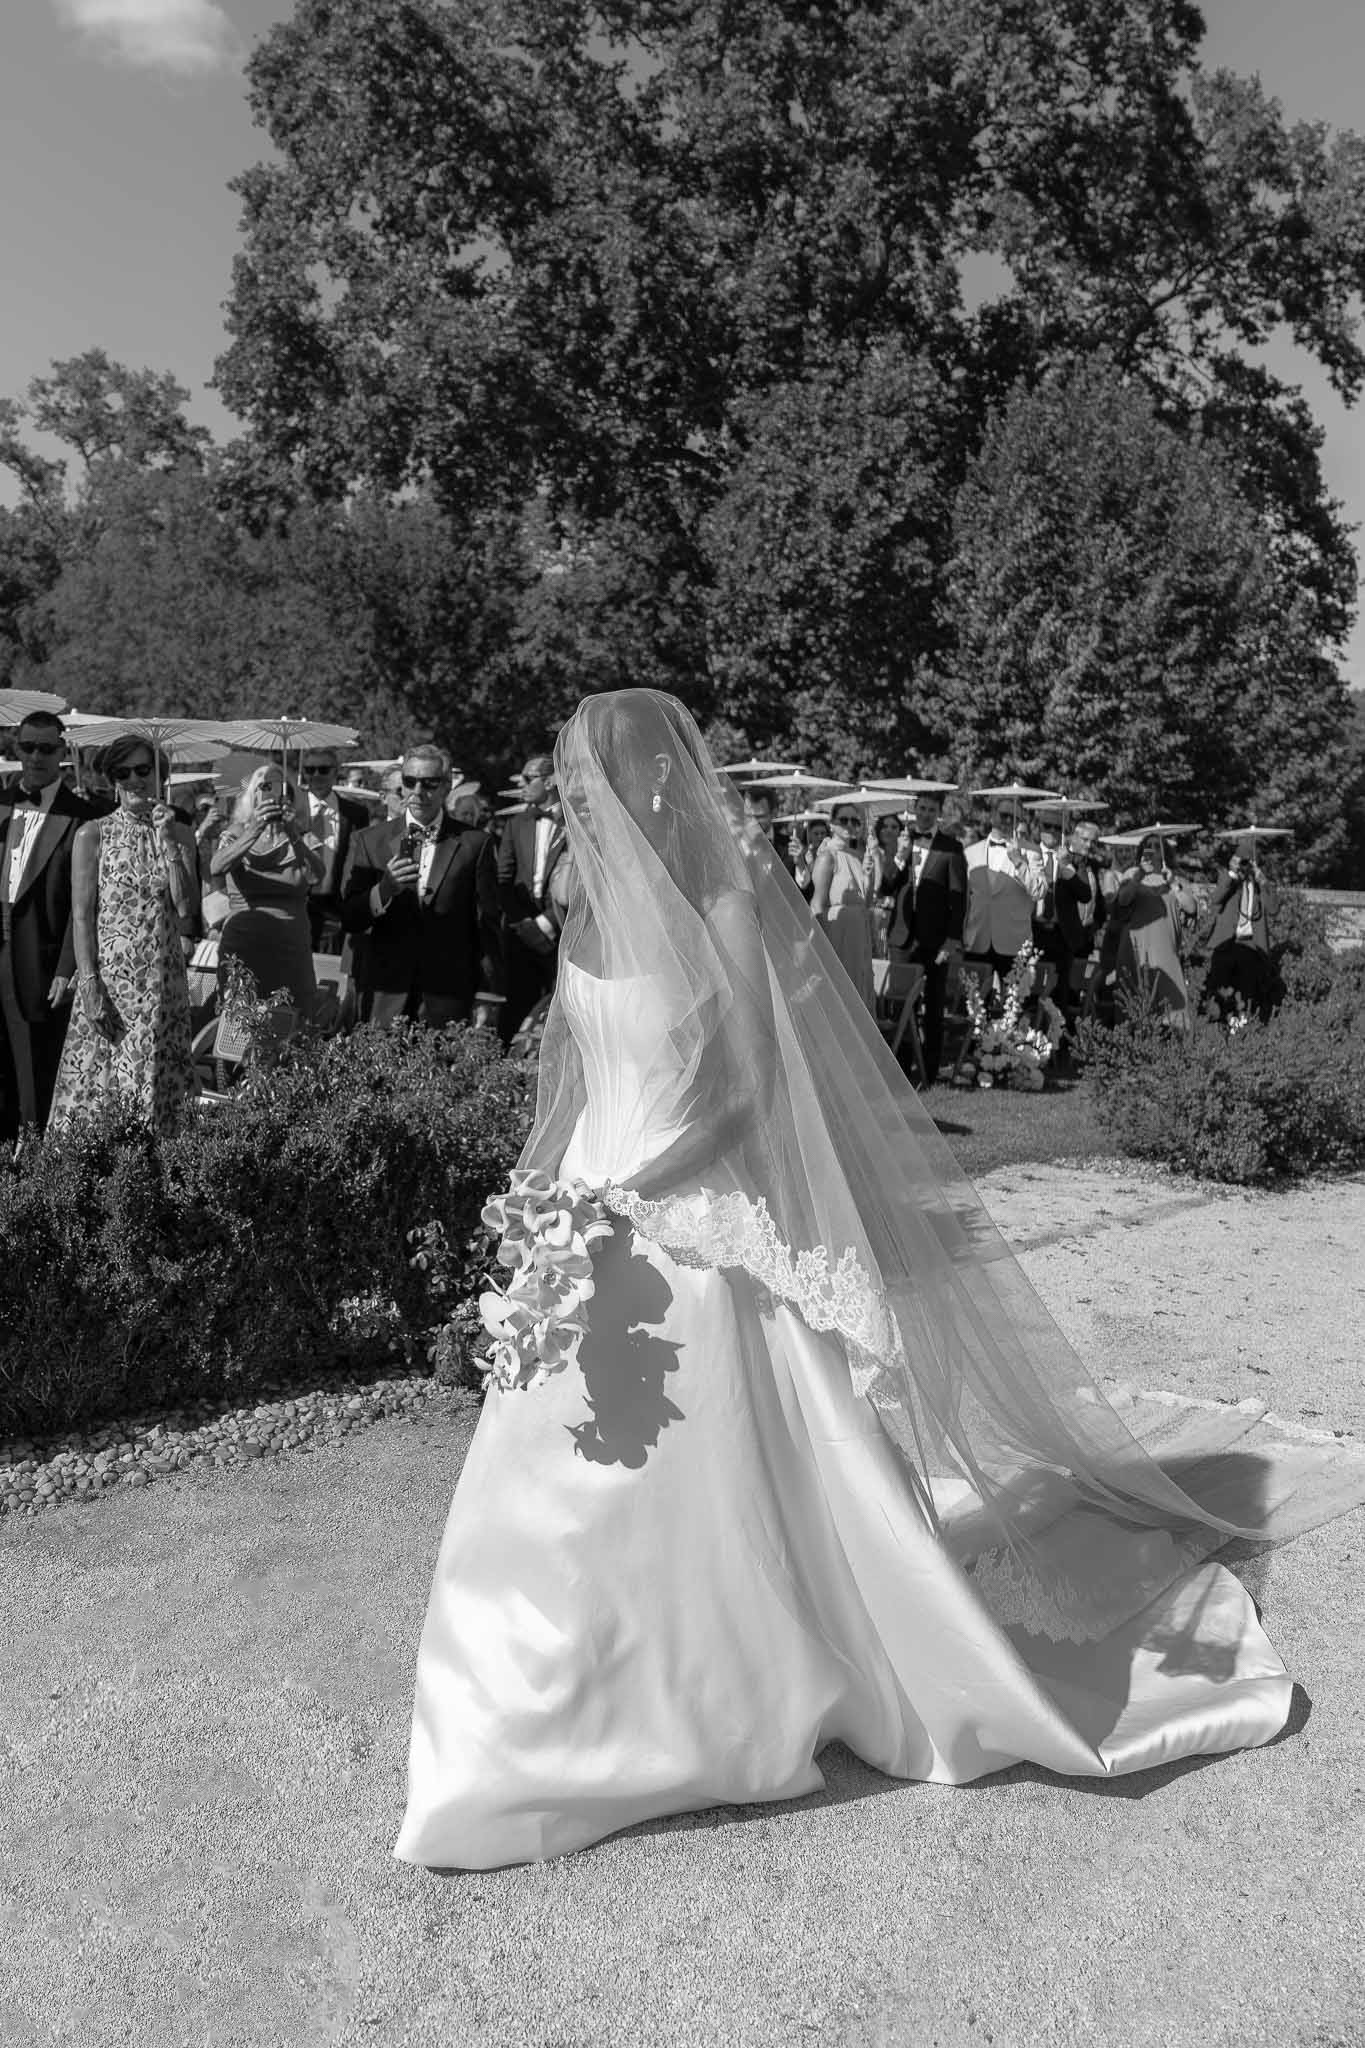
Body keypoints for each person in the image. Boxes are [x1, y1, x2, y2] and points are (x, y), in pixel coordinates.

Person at [395, 688, 1365, 1873]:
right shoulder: (586, 897)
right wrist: (542, 1202)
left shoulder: (723, 894)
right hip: (591, 1215)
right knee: (547, 1474)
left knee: (713, 1467)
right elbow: (573, 1068)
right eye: (569, 776)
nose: (573, 794)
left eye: (590, 773)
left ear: (653, 781)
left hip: (685, 1215)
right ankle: (538, 1711)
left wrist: (635, 1192)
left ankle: (718, 1694)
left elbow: (748, 1083)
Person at [49, 735, 197, 1133]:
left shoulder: (179, 833)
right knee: (98, 1101)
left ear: (159, 775)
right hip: (112, 990)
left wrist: (168, 843)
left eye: (143, 770)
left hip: (164, 987)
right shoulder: (92, 835)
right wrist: (90, 984)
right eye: (123, 772)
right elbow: (81, 917)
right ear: (112, 780)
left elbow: (186, 909)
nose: (135, 780)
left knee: (161, 1103)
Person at [340, 743, 490, 1027]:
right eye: (410, 782)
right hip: (384, 991)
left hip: (447, 995)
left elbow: (486, 924)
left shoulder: (475, 844)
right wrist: (383, 890)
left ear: (446, 786)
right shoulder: (369, 841)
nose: (418, 792)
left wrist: (487, 992)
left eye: (429, 783)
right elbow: (350, 917)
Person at [0, 712, 94, 1138]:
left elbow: (86, 905)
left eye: (47, 748)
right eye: (28, 747)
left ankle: (38, 1162)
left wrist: (66, 967)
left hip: (41, 957)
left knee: (38, 1067)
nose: (36, 757)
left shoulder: (84, 818)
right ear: (15, 749)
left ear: (63, 752)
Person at [211, 765, 323, 1014]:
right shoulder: (235, 833)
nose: (273, 794)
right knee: (238, 1022)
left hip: (290, 947)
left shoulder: (304, 836)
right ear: (252, 795)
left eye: (283, 788)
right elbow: (216, 867)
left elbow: (317, 876)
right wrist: (256, 829)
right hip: (243, 944)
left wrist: (293, 833)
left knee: (293, 1023)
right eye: (264, 787)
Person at [879, 792, 968, 1084]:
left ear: (939, 813)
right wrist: (900, 855)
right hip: (902, 938)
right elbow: (886, 886)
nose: (926, 814)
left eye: (932, 809)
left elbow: (958, 901)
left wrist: (952, 941)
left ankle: (928, 1071)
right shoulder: (899, 843)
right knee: (901, 1006)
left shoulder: (951, 849)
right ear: (914, 810)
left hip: (936, 941)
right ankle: (901, 1069)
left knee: (933, 1007)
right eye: (922, 808)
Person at [495, 754, 566, 1045]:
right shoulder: (516, 824)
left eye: (528, 778)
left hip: (560, 931)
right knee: (516, 1006)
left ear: (549, 781)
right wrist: (522, 922)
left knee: (558, 1007)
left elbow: (578, 880)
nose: (521, 784)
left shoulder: (576, 822)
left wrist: (546, 924)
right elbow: (503, 879)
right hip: (520, 933)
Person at [1099, 835, 1197, 1028]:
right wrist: (1138, 877)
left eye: (1156, 846)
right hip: (1136, 949)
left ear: (1164, 851)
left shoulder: (1176, 878)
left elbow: (1191, 908)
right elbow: (1122, 901)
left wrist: (1173, 884)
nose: (1152, 850)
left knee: (1173, 1011)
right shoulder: (1132, 874)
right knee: (1134, 1009)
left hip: (1166, 950)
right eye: (1147, 846)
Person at [963, 801, 1045, 987]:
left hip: (1014, 943)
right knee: (971, 1006)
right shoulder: (971, 852)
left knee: (1013, 1007)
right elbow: (965, 900)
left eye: (1013, 817)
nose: (1008, 820)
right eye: (1003, 814)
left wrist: (1019, 862)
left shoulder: (1032, 852)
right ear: (993, 814)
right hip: (977, 941)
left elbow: (1039, 892)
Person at [297, 747, 371, 953]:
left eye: (323, 769)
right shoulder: (291, 810)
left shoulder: (355, 813)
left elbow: (359, 861)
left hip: (334, 909)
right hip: (296, 904)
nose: (316, 775)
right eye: (310, 770)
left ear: (335, 772)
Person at [1205, 837, 1280, 1023]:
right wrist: (1233, 874)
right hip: (1227, 943)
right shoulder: (1228, 879)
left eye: (1248, 862)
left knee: (1247, 995)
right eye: (1241, 861)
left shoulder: (1260, 885)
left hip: (1250, 945)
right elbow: (1216, 899)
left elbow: (1273, 909)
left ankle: (1243, 1029)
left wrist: (1262, 880)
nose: (1245, 866)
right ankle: (1220, 1026)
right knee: (1221, 992)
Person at [809, 804, 875, 1009]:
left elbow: (867, 903)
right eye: (843, 820)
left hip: (858, 938)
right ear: (832, 824)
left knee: (858, 993)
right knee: (837, 998)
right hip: (836, 937)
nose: (849, 825)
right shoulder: (827, 856)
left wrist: (868, 877)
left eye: (854, 821)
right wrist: (819, 948)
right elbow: (817, 904)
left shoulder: (857, 856)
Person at [1054, 817, 1111, 1019]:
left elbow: (1099, 905)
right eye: (1086, 840)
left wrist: (1095, 927)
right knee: (1061, 991)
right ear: (1074, 837)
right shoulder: (1059, 860)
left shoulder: (1093, 867)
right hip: (1061, 938)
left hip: (1084, 940)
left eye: (1093, 842)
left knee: (1078, 990)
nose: (1089, 845)